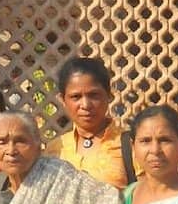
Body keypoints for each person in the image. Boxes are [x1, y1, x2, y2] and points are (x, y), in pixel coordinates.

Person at [52, 55, 137, 189]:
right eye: (76, 97)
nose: (85, 105)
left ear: (109, 96)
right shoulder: (55, 149)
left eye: (94, 95)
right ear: (63, 100)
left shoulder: (131, 146)